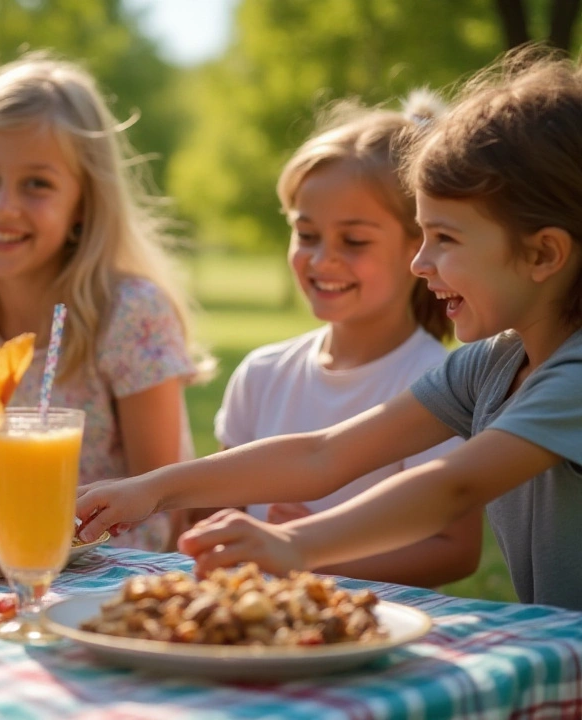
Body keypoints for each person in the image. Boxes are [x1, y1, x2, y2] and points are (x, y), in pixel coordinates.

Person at [77, 51, 582, 610]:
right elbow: (324, 455)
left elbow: (451, 489)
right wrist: (150, 490)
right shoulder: (493, 364)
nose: (420, 263)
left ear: (543, 253)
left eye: (445, 239)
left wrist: (296, 544)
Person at [0, 53, 213, 551]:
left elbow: (159, 511)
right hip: (6, 579)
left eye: (37, 184)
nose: (3, 207)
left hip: (113, 581)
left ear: (83, 202)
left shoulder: (129, 314)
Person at [196, 92, 481, 588]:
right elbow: (216, 515)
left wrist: (308, 554)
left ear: (419, 245)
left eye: (353, 241)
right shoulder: (261, 374)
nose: (322, 259)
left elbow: (454, 552)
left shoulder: (439, 384)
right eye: (306, 234)